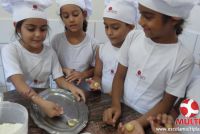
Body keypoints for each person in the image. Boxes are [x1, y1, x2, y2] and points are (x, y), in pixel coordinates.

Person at [103, 0, 196, 133]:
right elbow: (119, 76)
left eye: (147, 16)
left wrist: (139, 123)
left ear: (174, 19)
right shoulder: (133, 37)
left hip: (148, 121)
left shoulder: (183, 59)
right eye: (141, 14)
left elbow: (166, 103)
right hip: (121, 109)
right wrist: (115, 105)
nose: (140, 22)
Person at [1, 0, 85, 118]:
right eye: (31, 29)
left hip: (46, 102)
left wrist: (72, 88)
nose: (38, 34)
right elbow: (18, 81)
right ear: (18, 27)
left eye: (43, 29)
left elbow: (59, 79)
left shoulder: (50, 52)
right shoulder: (10, 50)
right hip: (19, 102)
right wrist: (40, 102)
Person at [87, 0, 139, 94]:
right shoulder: (102, 50)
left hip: (125, 103)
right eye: (106, 27)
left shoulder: (135, 52)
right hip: (104, 100)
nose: (109, 32)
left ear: (131, 27)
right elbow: (98, 76)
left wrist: (113, 95)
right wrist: (95, 84)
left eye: (115, 27)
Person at [52, 0, 99, 88]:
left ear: (84, 14)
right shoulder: (56, 41)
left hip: (85, 91)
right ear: (62, 18)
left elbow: (97, 70)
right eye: (66, 16)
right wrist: (63, 70)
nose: (71, 19)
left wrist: (83, 74)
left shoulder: (93, 43)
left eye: (75, 14)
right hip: (62, 91)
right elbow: (51, 65)